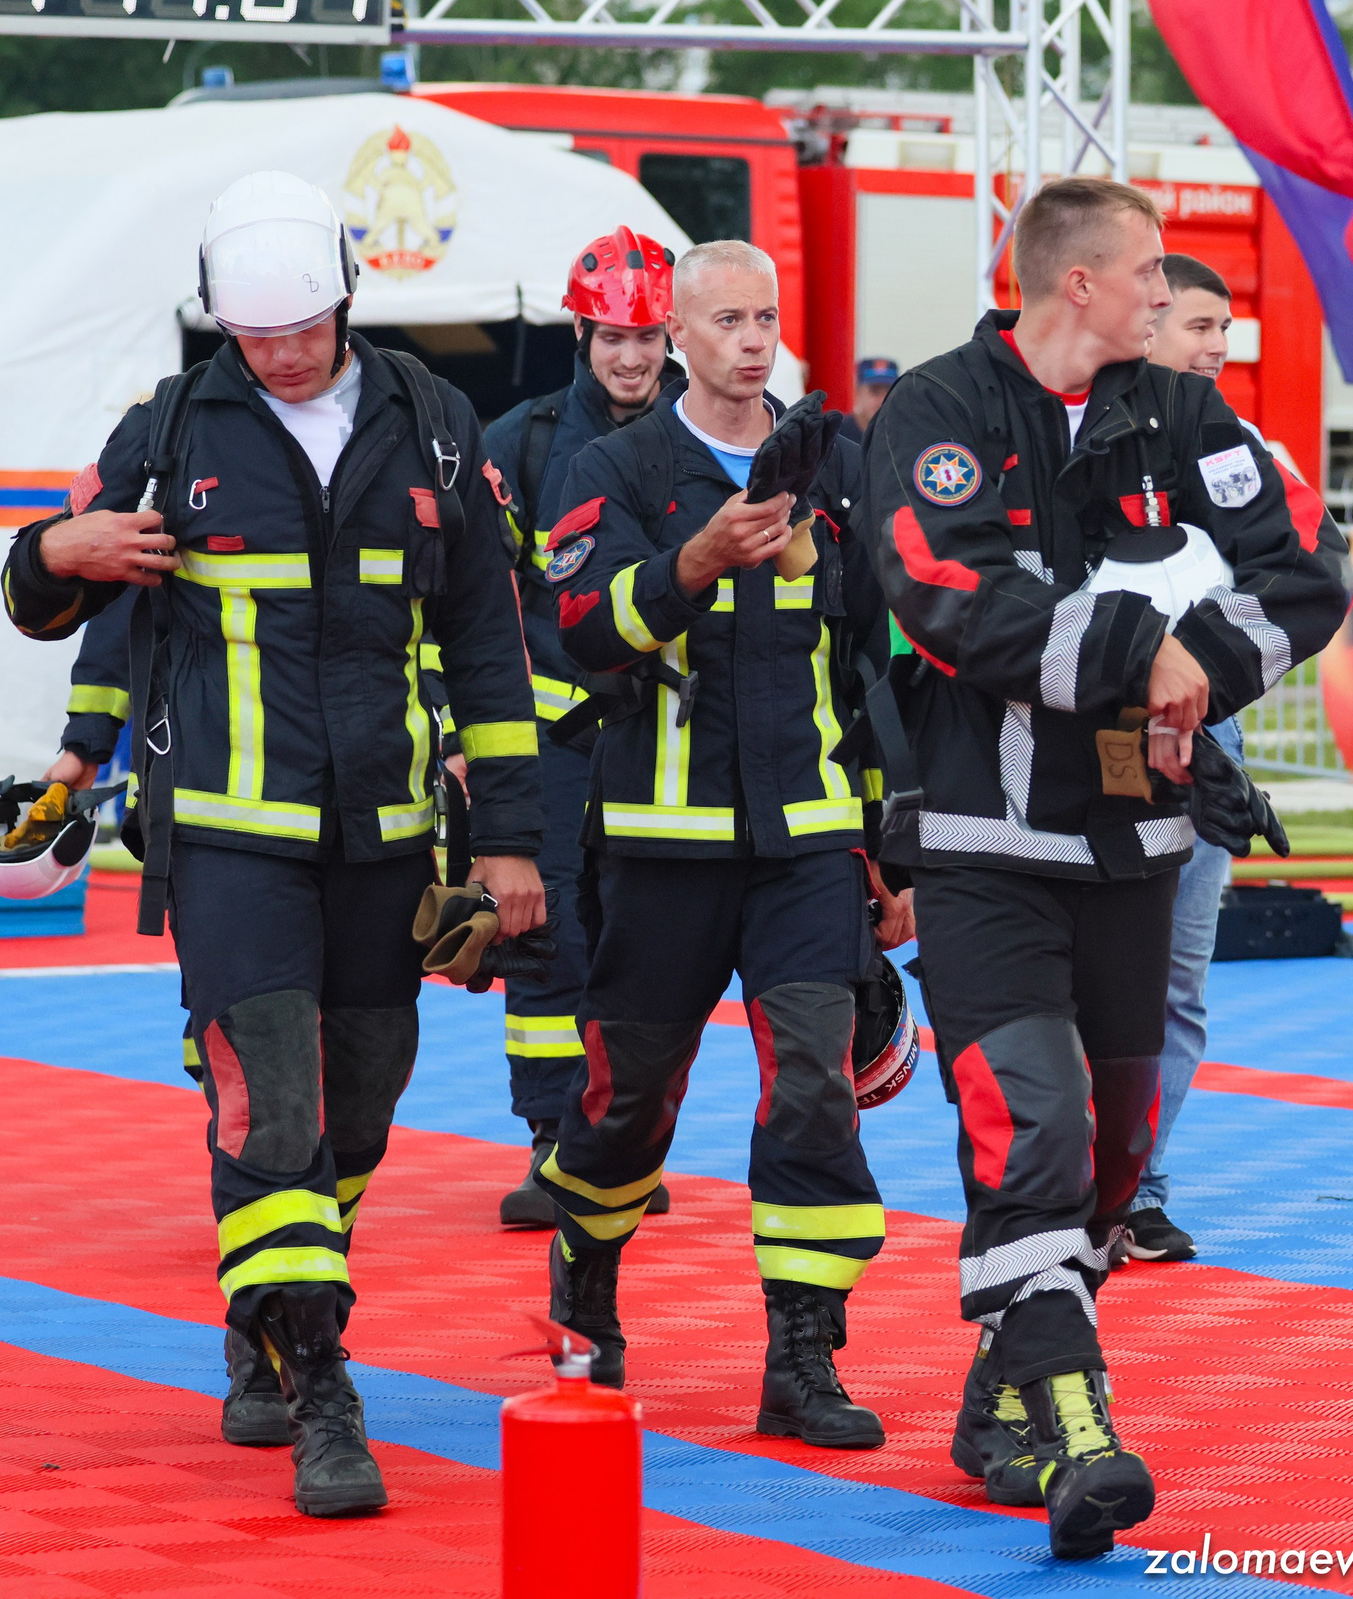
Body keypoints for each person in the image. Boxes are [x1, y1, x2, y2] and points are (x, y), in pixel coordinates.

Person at [3, 171, 545, 1519]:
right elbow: (51, 602)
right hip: (229, 834)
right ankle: (324, 1385)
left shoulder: (430, 423)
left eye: (300, 328)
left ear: (347, 299)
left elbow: (488, 636)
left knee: (357, 1103)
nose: (282, 354)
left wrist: (516, 840)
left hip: (388, 837)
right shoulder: (172, 423)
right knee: (272, 1105)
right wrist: (52, 546)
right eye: (254, 335)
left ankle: (264, 1310)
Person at [866, 176, 1347, 1559]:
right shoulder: (939, 412)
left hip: (1143, 844)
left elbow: (1301, 572)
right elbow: (944, 591)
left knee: (1116, 1159)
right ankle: (1082, 1428)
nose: (1174, 297)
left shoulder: (1183, 412)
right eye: (1150, 275)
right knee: (1034, 1123)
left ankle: (1000, 1391)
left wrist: (1208, 662)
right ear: (1077, 282)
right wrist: (1145, 652)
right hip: (983, 849)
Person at [537, 240, 908, 1449]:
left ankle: (802, 1354)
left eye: (767, 320)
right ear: (676, 336)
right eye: (728, 322)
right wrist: (691, 562)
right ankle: (585, 1273)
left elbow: (871, 669)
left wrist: (890, 847)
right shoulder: (620, 464)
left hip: (806, 843)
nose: (753, 341)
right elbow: (581, 633)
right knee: (626, 1101)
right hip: (659, 846)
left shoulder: (837, 462)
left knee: (813, 1084)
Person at [478, 226, 685, 1229]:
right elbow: (468, 606)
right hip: (550, 751)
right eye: (611, 337)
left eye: (646, 337)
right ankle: (556, 1140)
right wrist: (464, 745)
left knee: (646, 947)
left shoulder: (715, 436)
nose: (631, 357)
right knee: (546, 943)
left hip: (672, 746)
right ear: (581, 331)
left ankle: (627, 1145)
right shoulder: (516, 443)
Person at [1119, 250, 1266, 1265]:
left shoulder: (1245, 451)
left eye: (1224, 329)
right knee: (1102, 970)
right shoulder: (1081, 439)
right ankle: (1071, 1182)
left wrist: (1203, 679)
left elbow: (1293, 582)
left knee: (1176, 977)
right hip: (1090, 737)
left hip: (1209, 737)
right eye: (1198, 326)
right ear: (1146, 322)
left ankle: (1142, 1187)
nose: (1217, 346)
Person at [851, 356, 898, 443]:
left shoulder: (904, 435)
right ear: (858, 393)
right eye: (875, 391)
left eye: (889, 392)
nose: (882, 400)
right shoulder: (837, 434)